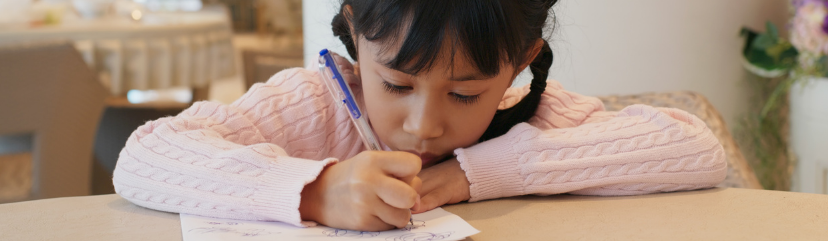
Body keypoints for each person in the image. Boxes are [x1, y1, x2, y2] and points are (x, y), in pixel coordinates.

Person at [112, 0, 727, 232]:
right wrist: (315, 190)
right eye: (397, 83)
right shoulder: (311, 105)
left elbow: (695, 148)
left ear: (518, 65)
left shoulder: (528, 116)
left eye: (464, 95)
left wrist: (477, 173)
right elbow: (144, 154)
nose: (424, 124)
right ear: (356, 32)